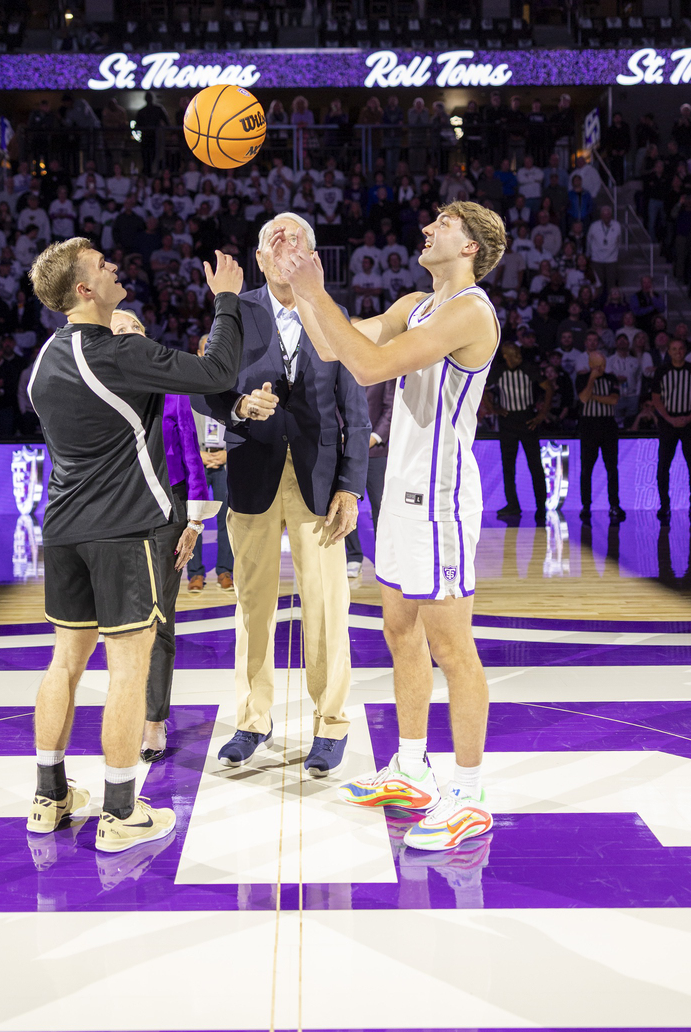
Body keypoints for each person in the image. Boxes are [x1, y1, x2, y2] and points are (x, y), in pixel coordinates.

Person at [279, 199, 506, 852]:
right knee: (400, 629)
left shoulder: (470, 310)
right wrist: (302, 291)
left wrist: (317, 292)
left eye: (444, 223)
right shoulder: (415, 304)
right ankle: (411, 768)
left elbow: (373, 367)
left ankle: (468, 795)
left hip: (439, 503)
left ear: (470, 247)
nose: (428, 228)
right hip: (402, 496)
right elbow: (335, 344)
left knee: (452, 647)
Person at [25, 237, 243, 854]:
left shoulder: (43, 360)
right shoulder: (118, 354)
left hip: (64, 528)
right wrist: (225, 301)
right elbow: (217, 372)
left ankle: (49, 798)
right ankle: (121, 810)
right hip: (124, 531)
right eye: (101, 265)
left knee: (64, 663)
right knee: (126, 669)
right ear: (84, 290)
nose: (115, 265)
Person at [192, 213, 370, 776]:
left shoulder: (330, 313)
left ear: (312, 257)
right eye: (274, 239)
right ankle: (252, 719)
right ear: (262, 260)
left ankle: (331, 724)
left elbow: (357, 412)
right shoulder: (236, 312)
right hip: (252, 474)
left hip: (320, 484)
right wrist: (239, 407)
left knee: (327, 608)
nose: (284, 242)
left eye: (296, 236)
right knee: (253, 609)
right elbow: (205, 388)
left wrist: (351, 487)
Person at [109, 308, 211, 764]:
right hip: (112, 518)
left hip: (166, 515)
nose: (127, 334)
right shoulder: (98, 393)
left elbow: (191, 454)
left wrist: (194, 522)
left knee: (158, 618)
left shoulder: (172, 391)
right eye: (117, 330)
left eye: (134, 328)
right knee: (119, 625)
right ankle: (126, 710)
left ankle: (153, 719)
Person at [186, 333, 234, 593]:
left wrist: (228, 453)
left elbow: (243, 425)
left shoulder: (233, 384)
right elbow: (182, 427)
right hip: (198, 461)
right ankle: (195, 573)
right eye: (208, 349)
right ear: (199, 354)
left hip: (226, 460)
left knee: (228, 520)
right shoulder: (190, 387)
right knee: (195, 520)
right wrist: (197, 454)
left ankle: (226, 570)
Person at [488, 342, 553, 521]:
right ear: (506, 357)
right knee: (508, 466)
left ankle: (541, 506)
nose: (519, 356)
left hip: (527, 419)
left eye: (518, 352)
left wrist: (542, 414)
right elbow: (482, 389)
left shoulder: (528, 368)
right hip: (508, 421)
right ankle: (512, 505)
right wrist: (493, 408)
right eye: (514, 354)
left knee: (535, 465)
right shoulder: (499, 370)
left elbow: (549, 388)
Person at [344, 377, 396, 580]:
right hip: (344, 448)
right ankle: (353, 557)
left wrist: (373, 438)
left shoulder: (383, 371)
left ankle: (385, 557)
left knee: (381, 507)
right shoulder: (340, 365)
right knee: (344, 505)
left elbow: (390, 408)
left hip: (376, 451)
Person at [652, 339, 691, 525]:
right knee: (663, 465)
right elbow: (655, 398)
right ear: (668, 351)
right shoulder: (661, 371)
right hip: (668, 423)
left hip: (689, 423)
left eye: (680, 348)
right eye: (674, 349)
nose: (677, 352)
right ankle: (664, 505)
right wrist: (668, 418)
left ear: (685, 350)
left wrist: (690, 417)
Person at [575, 351, 624, 523]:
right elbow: (583, 398)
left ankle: (614, 505)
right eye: (597, 365)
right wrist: (592, 379)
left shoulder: (611, 378)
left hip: (608, 426)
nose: (601, 368)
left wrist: (594, 397)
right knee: (586, 469)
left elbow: (613, 400)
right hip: (588, 426)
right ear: (590, 364)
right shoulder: (582, 379)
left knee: (612, 468)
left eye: (603, 364)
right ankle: (586, 506)